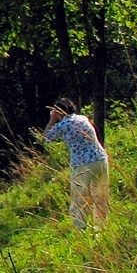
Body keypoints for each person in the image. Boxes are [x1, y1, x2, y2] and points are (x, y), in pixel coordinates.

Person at [43, 98, 109, 229]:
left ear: (58, 112)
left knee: (80, 198)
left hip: (82, 164)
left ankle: (81, 228)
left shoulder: (63, 125)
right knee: (100, 194)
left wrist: (52, 120)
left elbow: (46, 138)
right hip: (100, 159)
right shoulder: (83, 118)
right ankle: (102, 226)